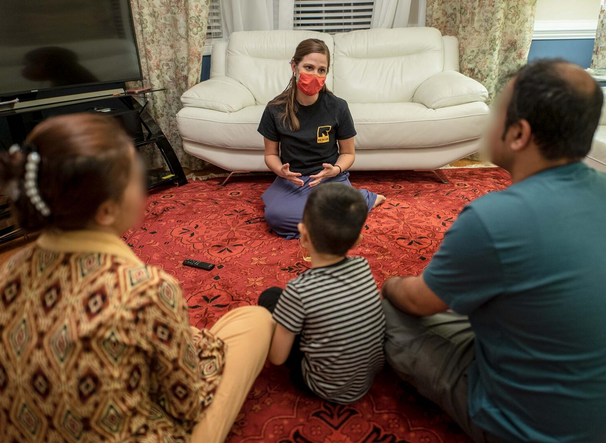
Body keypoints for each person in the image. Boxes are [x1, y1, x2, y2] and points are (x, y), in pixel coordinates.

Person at [381, 59, 606, 443]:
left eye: (495, 109)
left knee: (381, 305)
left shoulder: (493, 218)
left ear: (518, 134)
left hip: (529, 431)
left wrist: (389, 283)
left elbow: (418, 301)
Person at [0, 114, 274, 442]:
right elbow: (187, 405)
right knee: (255, 321)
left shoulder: (9, 270)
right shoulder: (146, 289)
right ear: (106, 211)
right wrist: (201, 351)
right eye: (134, 174)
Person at [258, 183, 385, 404]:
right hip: (365, 380)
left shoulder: (299, 290)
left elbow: (277, 359)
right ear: (358, 241)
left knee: (270, 297)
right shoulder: (363, 266)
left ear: (303, 237)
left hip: (322, 386)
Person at [258, 38, 385, 240]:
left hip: (329, 178)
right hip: (294, 180)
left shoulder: (338, 107)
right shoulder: (275, 108)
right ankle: (339, 213)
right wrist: (280, 171)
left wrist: (336, 169)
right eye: (309, 67)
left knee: (335, 213)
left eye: (321, 70)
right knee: (276, 217)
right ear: (294, 67)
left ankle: (363, 199)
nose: (315, 75)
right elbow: (271, 154)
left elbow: (348, 153)